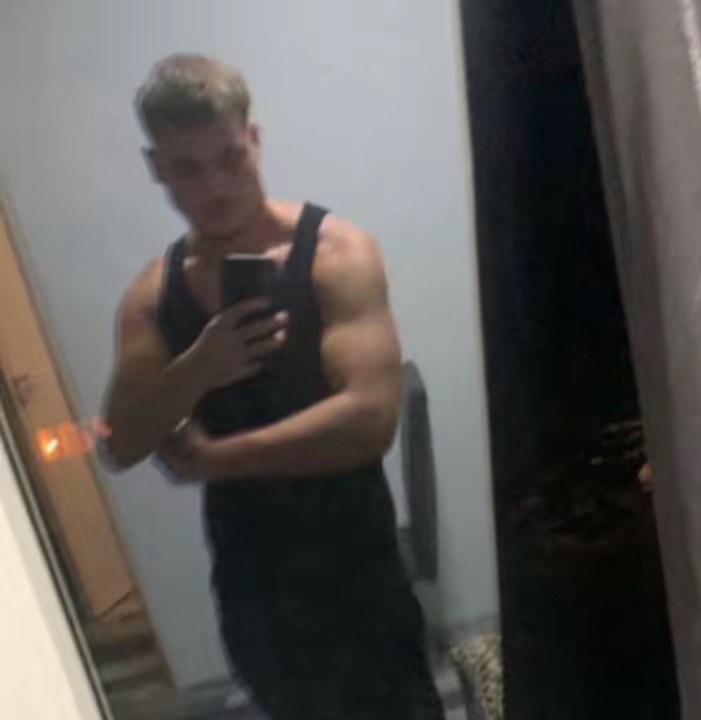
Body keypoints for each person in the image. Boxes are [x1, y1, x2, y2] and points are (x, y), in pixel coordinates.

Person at [102, 54, 445, 720]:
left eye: (229, 158)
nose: (215, 186)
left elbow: (371, 418)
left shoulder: (336, 253)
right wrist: (197, 368)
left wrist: (218, 458)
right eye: (187, 168)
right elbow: (117, 442)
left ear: (254, 140)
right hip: (251, 591)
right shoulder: (152, 295)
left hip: (359, 576)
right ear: (156, 167)